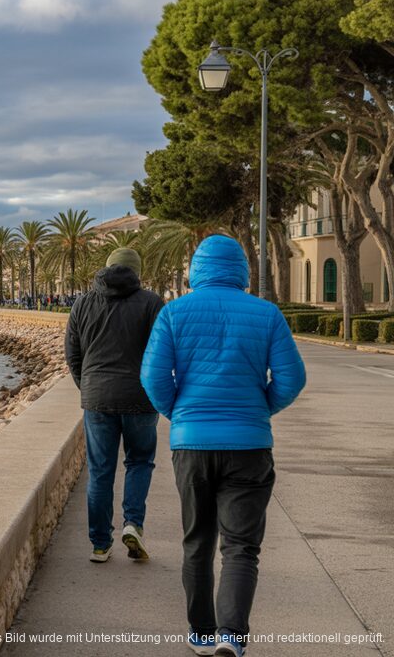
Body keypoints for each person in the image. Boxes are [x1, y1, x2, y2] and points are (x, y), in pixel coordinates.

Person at [140, 235, 306, 657]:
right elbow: (292, 379)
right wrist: (261, 408)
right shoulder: (267, 314)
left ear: (197, 269)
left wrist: (180, 415)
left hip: (191, 445)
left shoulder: (173, 313)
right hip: (249, 446)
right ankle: (231, 635)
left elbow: (154, 378)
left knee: (197, 540)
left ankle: (200, 632)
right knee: (241, 547)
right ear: (242, 270)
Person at [65, 247, 164, 563]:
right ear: (138, 271)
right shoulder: (151, 303)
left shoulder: (82, 303)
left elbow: (73, 354)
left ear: (105, 268)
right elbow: (163, 355)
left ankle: (99, 544)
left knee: (100, 471)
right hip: (140, 398)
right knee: (139, 461)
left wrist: (89, 387)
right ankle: (133, 524)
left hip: (97, 400)